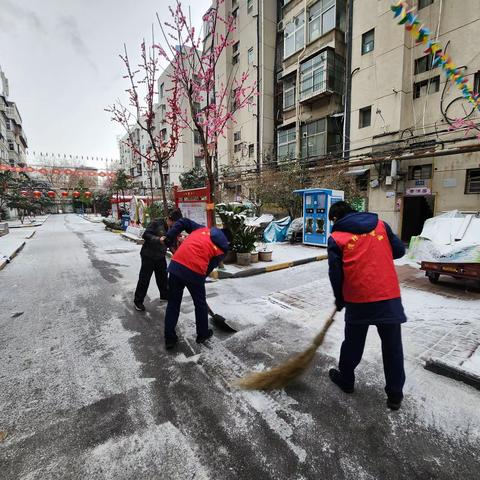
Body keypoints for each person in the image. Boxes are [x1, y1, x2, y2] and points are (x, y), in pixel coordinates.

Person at [327, 201, 406, 410]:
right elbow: (399, 251)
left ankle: (346, 380)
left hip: (358, 299)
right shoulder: (381, 225)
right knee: (393, 348)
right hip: (388, 297)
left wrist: (339, 298)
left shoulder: (336, 237)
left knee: (353, 344)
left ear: (335, 219)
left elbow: (335, 273)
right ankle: (395, 395)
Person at [161, 218, 232, 349]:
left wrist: (169, 237)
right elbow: (208, 268)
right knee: (200, 304)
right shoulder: (223, 250)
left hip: (176, 267)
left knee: (173, 304)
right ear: (227, 241)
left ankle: (169, 339)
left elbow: (182, 221)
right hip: (195, 272)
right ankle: (202, 334)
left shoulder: (202, 229)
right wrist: (198, 284)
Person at [133, 208, 183, 311]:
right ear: (169, 219)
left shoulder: (173, 229)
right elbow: (145, 234)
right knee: (144, 279)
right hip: (148, 255)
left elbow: (171, 244)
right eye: (174, 223)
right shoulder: (156, 222)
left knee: (163, 277)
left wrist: (178, 254)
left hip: (160, 256)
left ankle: (164, 296)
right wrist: (157, 239)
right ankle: (138, 301)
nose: (174, 226)